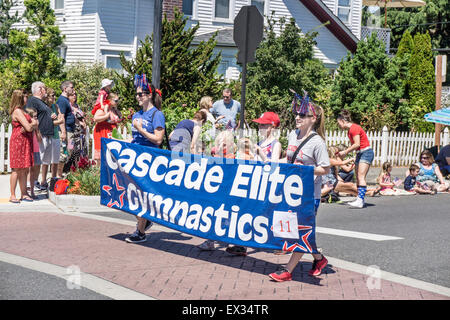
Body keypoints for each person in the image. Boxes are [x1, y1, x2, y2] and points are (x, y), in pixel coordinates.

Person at [268, 101, 330, 282]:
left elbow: (325, 168)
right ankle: (319, 259)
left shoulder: (317, 142)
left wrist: (305, 171)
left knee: (300, 231)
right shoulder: (292, 135)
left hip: (310, 195)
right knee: (296, 231)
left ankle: (287, 271)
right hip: (291, 191)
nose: (297, 118)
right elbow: (290, 160)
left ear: (313, 119)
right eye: (297, 114)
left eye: (302, 115)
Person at [125, 76, 165, 244]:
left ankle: (140, 231)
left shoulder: (157, 114)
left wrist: (140, 129)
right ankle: (145, 221)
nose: (138, 97)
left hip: (150, 160)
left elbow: (158, 139)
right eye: (137, 94)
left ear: (149, 95)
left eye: (141, 94)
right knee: (130, 194)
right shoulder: (137, 114)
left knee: (141, 195)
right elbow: (135, 138)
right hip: (136, 159)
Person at [197, 130, 237, 252]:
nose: (220, 147)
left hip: (227, 191)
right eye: (219, 144)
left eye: (224, 144)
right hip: (215, 189)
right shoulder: (215, 154)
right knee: (212, 214)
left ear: (230, 145)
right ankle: (210, 241)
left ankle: (231, 241)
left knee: (228, 216)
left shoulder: (232, 157)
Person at [336, 110, 374, 208]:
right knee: (358, 178)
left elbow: (357, 144)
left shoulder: (354, 128)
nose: (338, 125)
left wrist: (345, 152)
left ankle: (360, 200)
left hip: (366, 152)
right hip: (359, 153)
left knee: (361, 177)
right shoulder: (350, 131)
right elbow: (356, 146)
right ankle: (359, 199)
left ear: (342, 120)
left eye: (338, 122)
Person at [25, 82, 57, 191]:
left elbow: (42, 116)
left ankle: (35, 182)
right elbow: (30, 117)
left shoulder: (42, 102)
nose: (46, 90)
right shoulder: (33, 101)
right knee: (36, 161)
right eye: (44, 88)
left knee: (42, 161)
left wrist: (51, 116)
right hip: (40, 135)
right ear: (39, 89)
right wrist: (37, 133)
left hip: (47, 135)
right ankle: (30, 183)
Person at [9, 89, 36, 203]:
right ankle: (13, 195)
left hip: (25, 141)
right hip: (18, 142)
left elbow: (26, 128)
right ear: (20, 98)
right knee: (16, 168)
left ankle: (24, 193)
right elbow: (29, 127)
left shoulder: (22, 110)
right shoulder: (18, 111)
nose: (27, 99)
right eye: (25, 97)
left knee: (25, 168)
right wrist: (33, 123)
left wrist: (28, 127)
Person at [40, 87, 64, 186]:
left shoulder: (55, 106)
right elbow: (46, 122)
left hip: (55, 135)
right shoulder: (43, 107)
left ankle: (53, 180)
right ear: (47, 97)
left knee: (55, 160)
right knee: (45, 160)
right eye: (53, 95)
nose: (55, 97)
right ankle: (43, 180)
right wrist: (57, 121)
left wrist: (63, 131)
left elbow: (61, 117)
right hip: (46, 135)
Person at [92, 92, 122, 161]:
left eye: (118, 101)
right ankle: (99, 170)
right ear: (110, 100)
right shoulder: (103, 109)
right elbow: (95, 118)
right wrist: (106, 116)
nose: (117, 102)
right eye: (116, 101)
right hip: (102, 131)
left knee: (111, 155)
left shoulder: (114, 110)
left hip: (112, 132)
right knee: (102, 154)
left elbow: (119, 118)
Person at [56, 81, 75, 177]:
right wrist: (63, 132)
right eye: (71, 87)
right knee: (63, 153)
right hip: (66, 131)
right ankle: (58, 175)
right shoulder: (62, 100)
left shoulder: (67, 100)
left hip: (71, 131)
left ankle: (62, 172)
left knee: (69, 151)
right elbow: (61, 116)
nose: (73, 89)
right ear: (65, 89)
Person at [23, 107, 42, 199]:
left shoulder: (36, 128)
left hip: (36, 150)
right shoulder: (28, 128)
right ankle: (27, 190)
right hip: (30, 150)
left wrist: (37, 129)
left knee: (34, 171)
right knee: (29, 171)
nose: (36, 119)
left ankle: (33, 191)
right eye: (34, 117)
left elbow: (40, 140)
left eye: (36, 117)